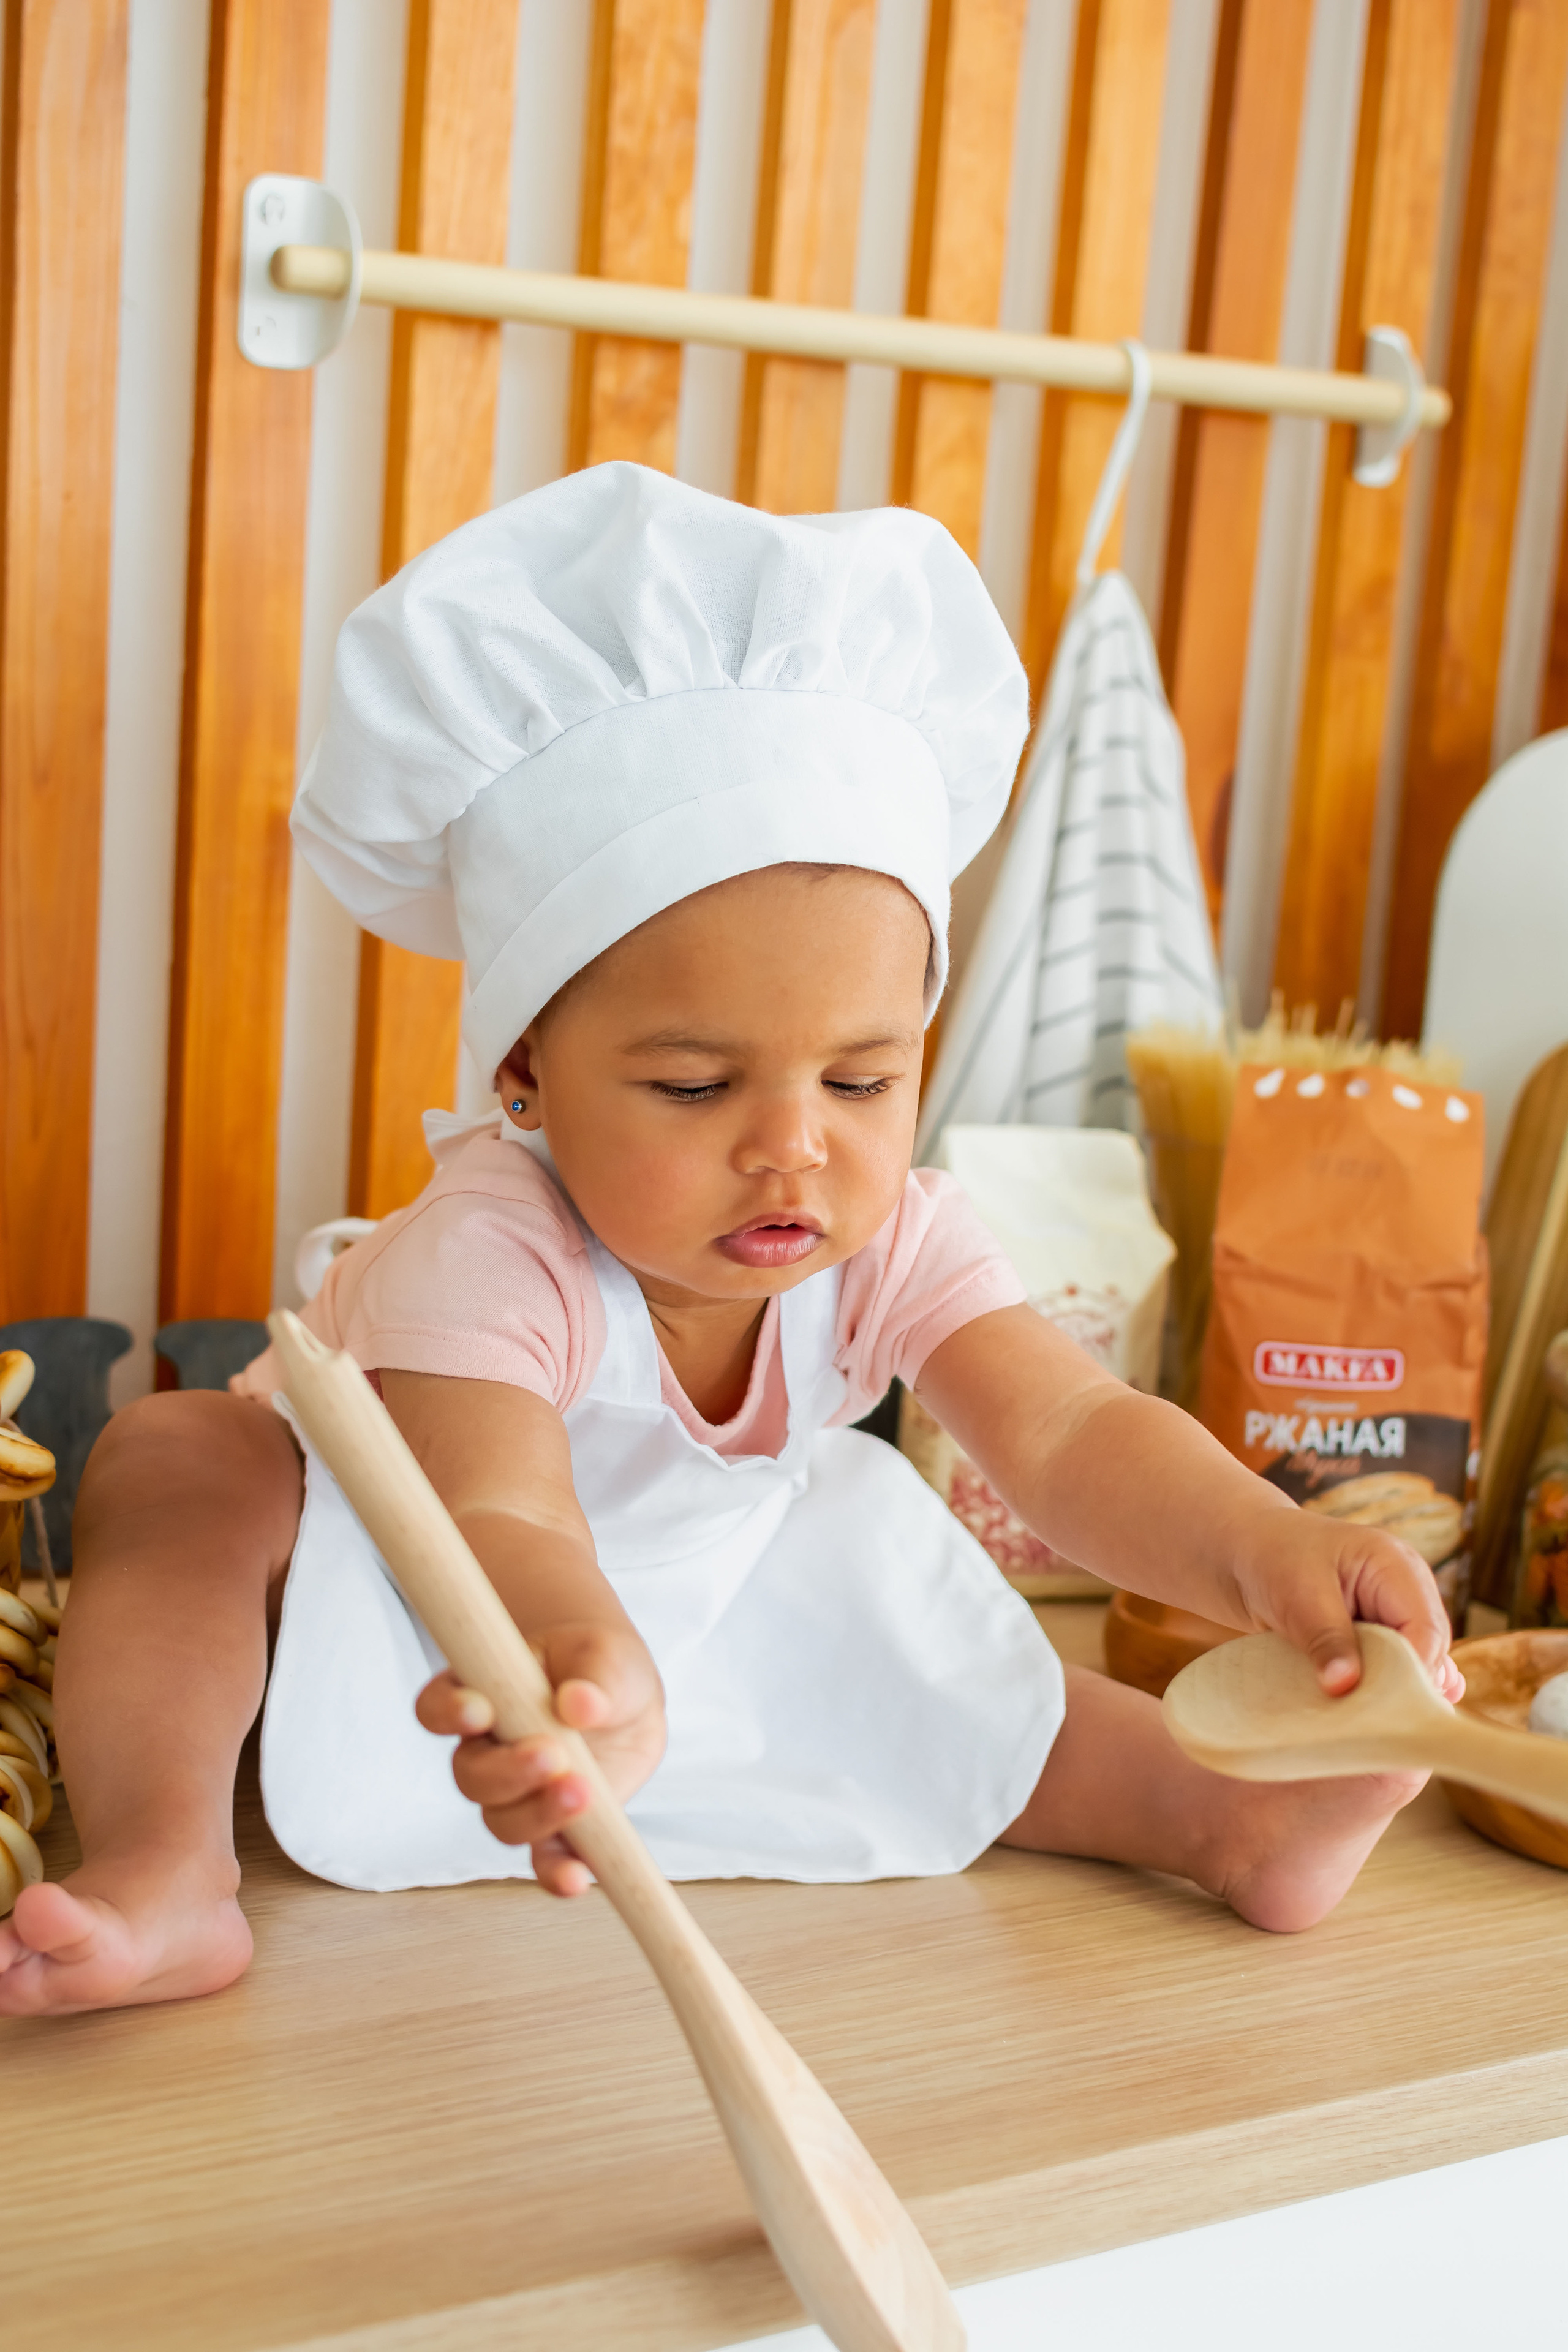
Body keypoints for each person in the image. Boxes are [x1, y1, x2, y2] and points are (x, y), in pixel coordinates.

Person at [0, 466, 1459, 2018]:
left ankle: (1224, 1821)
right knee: (175, 1459)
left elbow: (1070, 1431)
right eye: (696, 1086)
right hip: (418, 1600)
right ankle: (165, 1865)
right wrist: (580, 1665)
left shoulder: (889, 1233)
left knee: (955, 1683)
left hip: (695, 1606)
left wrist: (1267, 1550)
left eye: (862, 1080)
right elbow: (499, 1511)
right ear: (525, 1076)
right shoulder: (489, 1246)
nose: (794, 1146)